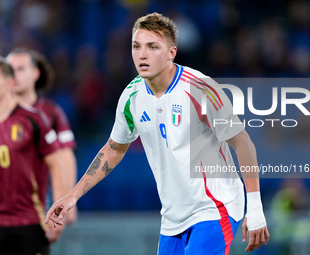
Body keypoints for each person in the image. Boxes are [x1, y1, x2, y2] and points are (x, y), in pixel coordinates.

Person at [46, 13, 270, 254]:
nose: (142, 54)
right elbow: (114, 149)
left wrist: (255, 207)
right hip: (173, 218)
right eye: (136, 46)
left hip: (215, 207)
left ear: (171, 53)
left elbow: (243, 142)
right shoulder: (131, 97)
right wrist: (72, 197)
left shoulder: (201, 89)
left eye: (153, 47)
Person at [0, 57, 66, 254]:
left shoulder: (34, 120)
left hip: (29, 222)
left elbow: (57, 165)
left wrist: (57, 214)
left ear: (10, 82)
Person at [6, 48, 78, 225]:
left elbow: (65, 157)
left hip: (34, 207)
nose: (14, 75)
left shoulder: (50, 114)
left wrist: (68, 200)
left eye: (21, 69)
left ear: (35, 73)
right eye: (10, 69)